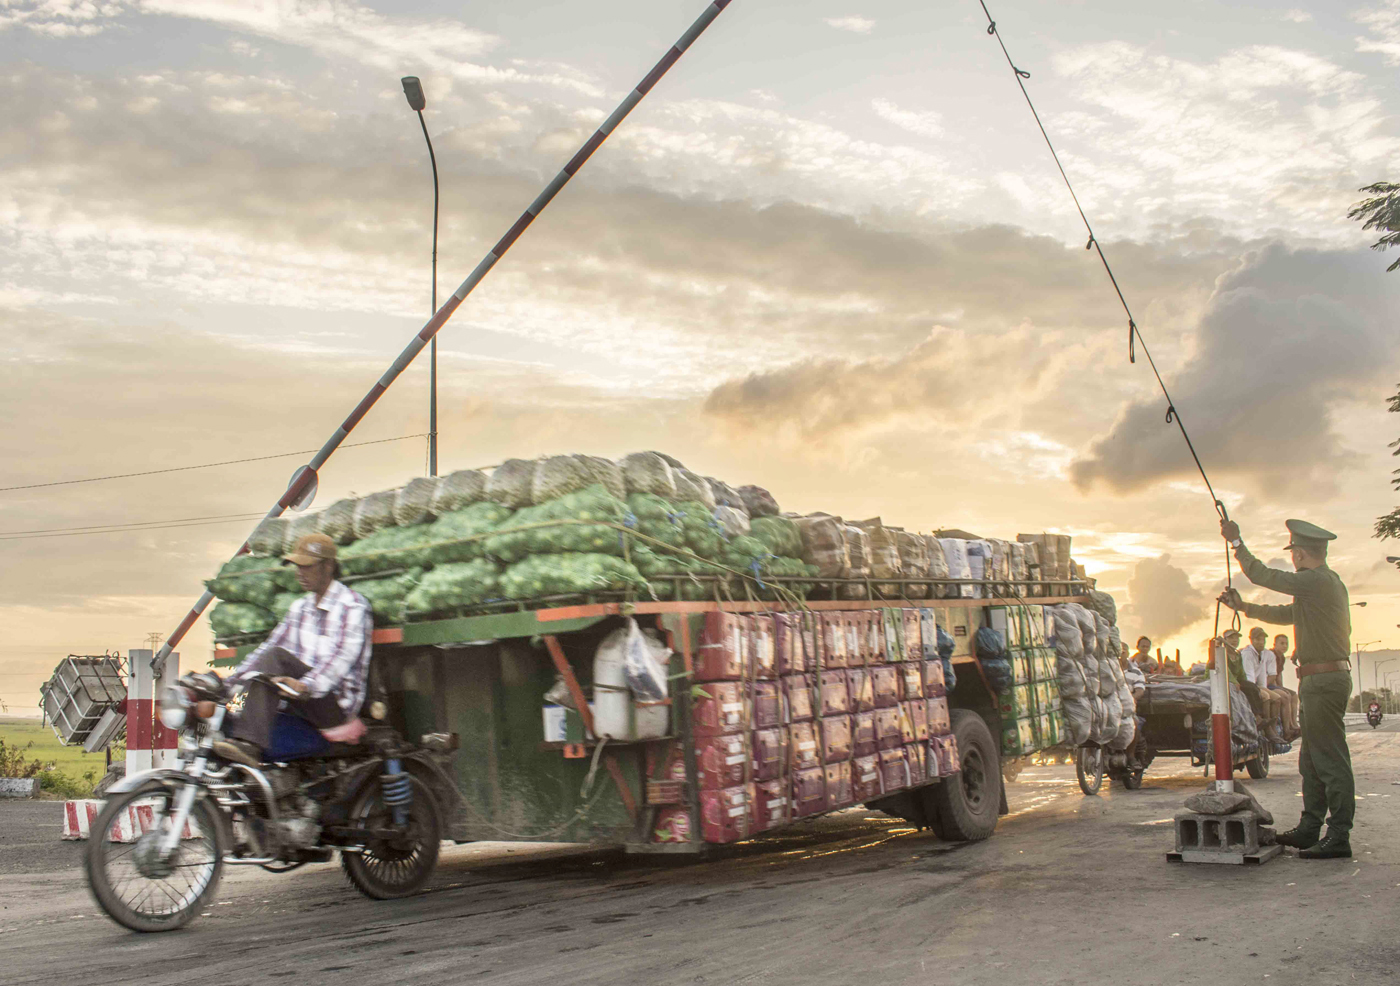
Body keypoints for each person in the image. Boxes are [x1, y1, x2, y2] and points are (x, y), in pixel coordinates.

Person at [1219, 517, 1354, 860]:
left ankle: (1338, 835)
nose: (1291, 557)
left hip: (1323, 681)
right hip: (1316, 680)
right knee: (1311, 760)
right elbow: (1284, 613)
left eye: (1293, 550)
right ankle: (1310, 829)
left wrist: (1237, 543)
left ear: (1298, 554)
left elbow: (1264, 576)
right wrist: (1245, 607)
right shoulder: (1321, 585)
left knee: (1330, 760)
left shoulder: (1317, 581)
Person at [214, 533, 374, 766]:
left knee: (275, 658)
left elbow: (343, 657)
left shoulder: (353, 606)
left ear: (328, 566)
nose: (300, 573)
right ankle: (230, 721)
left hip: (333, 703)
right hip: (299, 701)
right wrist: (229, 683)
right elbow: (269, 646)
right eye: (297, 566)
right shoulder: (301, 607)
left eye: (307, 567)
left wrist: (307, 684)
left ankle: (249, 745)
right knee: (262, 666)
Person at [1240, 627, 1286, 742]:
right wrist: (1260, 690)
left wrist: (1263, 687)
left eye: (1263, 640)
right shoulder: (1247, 654)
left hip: (1255, 685)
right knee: (1265, 696)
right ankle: (1266, 730)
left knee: (1277, 698)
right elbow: (1249, 677)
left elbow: (1261, 676)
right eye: (1258, 640)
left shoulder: (1262, 654)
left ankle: (1273, 729)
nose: (1261, 642)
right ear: (1251, 640)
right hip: (1247, 686)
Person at [1268, 633, 1301, 739]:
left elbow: (1279, 675)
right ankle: (1287, 729)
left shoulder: (1281, 657)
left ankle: (1293, 724)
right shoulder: (1271, 655)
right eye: (1281, 643)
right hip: (1267, 683)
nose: (1284, 646)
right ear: (1275, 644)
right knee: (1285, 696)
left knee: (1294, 695)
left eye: (1286, 644)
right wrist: (1279, 689)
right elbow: (1271, 675)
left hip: (1275, 684)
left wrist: (1281, 687)